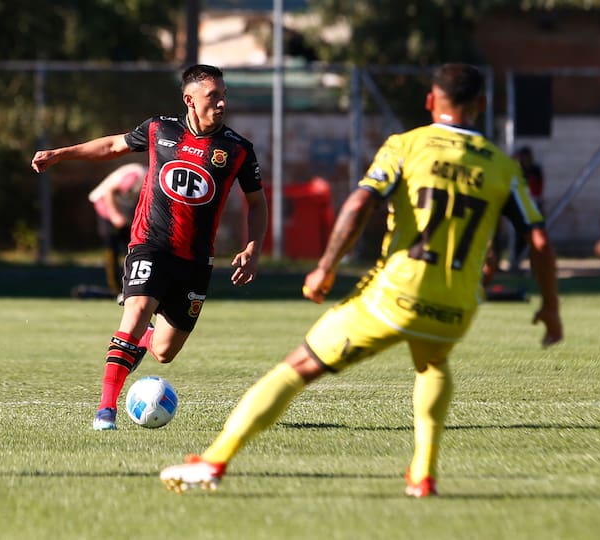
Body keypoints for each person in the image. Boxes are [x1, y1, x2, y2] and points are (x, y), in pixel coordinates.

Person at [159, 63, 563, 497]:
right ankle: (422, 475)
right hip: (458, 305)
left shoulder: (407, 146)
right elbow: (538, 240)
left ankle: (214, 462)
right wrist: (551, 307)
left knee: (297, 367)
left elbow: (359, 203)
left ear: (430, 101)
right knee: (433, 363)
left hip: (396, 295)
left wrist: (326, 266)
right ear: (481, 106)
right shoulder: (503, 166)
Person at [31, 64, 268, 430]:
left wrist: (253, 248)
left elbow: (256, 203)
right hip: (150, 245)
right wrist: (62, 153)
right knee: (138, 309)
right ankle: (105, 410)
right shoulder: (160, 129)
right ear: (190, 99)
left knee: (164, 352)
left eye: (224, 94)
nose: (221, 102)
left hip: (196, 260)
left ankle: (141, 343)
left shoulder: (237, 150)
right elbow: (113, 145)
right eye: (213, 96)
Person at [89, 162, 146, 300]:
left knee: (132, 247)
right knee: (111, 247)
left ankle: (131, 287)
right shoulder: (137, 176)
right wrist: (114, 215)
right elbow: (109, 191)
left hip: (121, 208)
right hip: (105, 205)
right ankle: (115, 289)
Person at [509, 145, 545, 271]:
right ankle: (516, 263)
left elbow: (538, 188)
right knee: (521, 237)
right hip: (522, 206)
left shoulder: (535, 170)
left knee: (536, 237)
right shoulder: (518, 170)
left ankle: (535, 265)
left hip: (534, 204)